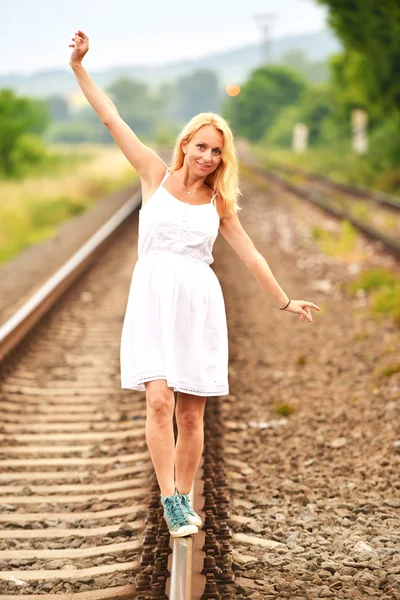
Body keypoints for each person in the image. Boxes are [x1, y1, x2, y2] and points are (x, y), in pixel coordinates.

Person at [69, 30, 321, 538]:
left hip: (198, 303)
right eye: (201, 146)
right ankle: (170, 499)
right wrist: (79, 67)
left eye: (216, 153)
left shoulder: (218, 204)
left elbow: (250, 256)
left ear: (222, 160)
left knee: (190, 411)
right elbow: (111, 118)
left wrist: (284, 301)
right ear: (185, 143)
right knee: (158, 400)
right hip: (153, 296)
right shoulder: (153, 175)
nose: (207, 157)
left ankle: (184, 492)